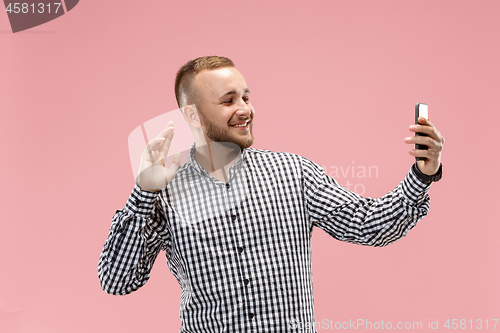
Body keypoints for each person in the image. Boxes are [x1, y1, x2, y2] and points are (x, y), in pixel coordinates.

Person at [98, 56, 444, 332]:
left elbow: (369, 225)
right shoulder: (165, 191)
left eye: (246, 96)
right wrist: (144, 192)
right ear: (193, 114)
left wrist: (422, 174)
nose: (245, 109)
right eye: (228, 100)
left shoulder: (294, 173)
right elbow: (117, 280)